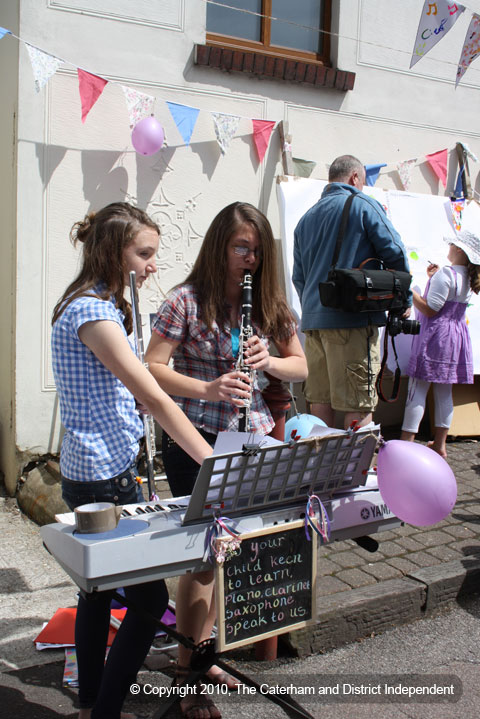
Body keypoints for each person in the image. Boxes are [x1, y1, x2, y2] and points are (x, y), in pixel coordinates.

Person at [51, 202, 214, 719]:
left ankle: (91, 701)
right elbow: (160, 399)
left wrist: (130, 400)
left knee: (96, 592)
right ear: (112, 251)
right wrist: (212, 463)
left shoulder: (82, 303)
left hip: (90, 467)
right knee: (145, 605)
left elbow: (116, 388)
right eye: (144, 253)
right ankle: (103, 709)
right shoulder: (95, 312)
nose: (152, 264)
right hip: (106, 475)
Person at [145, 201, 307, 719]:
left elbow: (300, 365)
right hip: (196, 438)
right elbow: (150, 368)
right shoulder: (185, 302)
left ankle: (199, 651)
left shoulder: (268, 302)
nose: (251, 260)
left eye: (258, 251)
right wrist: (210, 388)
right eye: (241, 248)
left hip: (251, 439)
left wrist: (271, 361)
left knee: (227, 554)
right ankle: (186, 673)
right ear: (219, 245)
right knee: (204, 558)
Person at [292, 154, 410, 430]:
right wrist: (400, 299)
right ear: (355, 177)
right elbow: (395, 251)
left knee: (320, 403)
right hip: (351, 321)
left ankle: (322, 472)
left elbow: (299, 278)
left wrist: (315, 309)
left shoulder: (306, 219)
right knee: (357, 406)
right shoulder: (362, 204)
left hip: (313, 324)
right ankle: (356, 474)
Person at [400, 230, 480, 459]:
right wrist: (432, 279)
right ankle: (440, 444)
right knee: (444, 392)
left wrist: (411, 290)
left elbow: (430, 309)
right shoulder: (466, 275)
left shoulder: (447, 274)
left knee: (418, 389)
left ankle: (407, 443)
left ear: (458, 250)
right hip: (456, 336)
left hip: (436, 336)